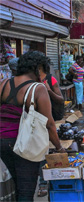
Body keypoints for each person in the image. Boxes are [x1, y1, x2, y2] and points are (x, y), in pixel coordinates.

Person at [0, 51, 65, 201]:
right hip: (24, 144)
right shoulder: (37, 88)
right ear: (37, 68)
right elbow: (49, 124)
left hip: (2, 142)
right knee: (25, 191)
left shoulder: (3, 84)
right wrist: (59, 147)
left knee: (13, 186)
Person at [37, 61, 65, 197]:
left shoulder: (50, 79)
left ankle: (45, 183)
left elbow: (60, 99)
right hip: (34, 123)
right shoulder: (28, 81)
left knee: (46, 151)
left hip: (49, 120)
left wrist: (48, 90)